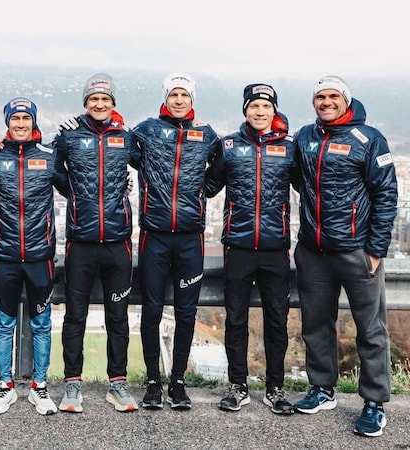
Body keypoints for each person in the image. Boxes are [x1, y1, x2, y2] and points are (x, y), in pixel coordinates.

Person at [292, 75, 397, 437]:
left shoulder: (369, 139)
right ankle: (322, 389)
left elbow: (386, 194)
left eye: (332, 95)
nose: (326, 101)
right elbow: (296, 180)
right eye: (320, 96)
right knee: (316, 325)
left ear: (345, 100)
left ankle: (373, 402)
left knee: (371, 330)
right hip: (313, 251)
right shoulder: (305, 136)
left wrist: (375, 250)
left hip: (356, 251)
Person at [204, 83, 295, 415]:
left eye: (265, 106)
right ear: (245, 110)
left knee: (277, 321)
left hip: (275, 248)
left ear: (274, 110)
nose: (259, 112)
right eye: (254, 106)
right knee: (236, 320)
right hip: (239, 246)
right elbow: (207, 186)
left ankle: (275, 389)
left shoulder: (290, 147)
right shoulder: (228, 146)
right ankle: (237, 386)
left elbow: (313, 186)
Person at [131, 72, 219, 411]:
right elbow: (115, 146)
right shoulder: (147, 130)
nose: (179, 100)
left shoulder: (207, 136)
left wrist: (200, 192)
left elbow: (219, 172)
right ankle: (153, 382)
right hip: (154, 235)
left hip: (189, 238)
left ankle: (178, 382)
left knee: (186, 311)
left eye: (185, 95)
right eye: (174, 95)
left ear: (192, 100)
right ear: (165, 98)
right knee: (151, 310)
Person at [52, 73, 138, 413]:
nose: (99, 104)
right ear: (85, 104)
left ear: (113, 103)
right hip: (81, 241)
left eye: (105, 99)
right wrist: (75, 195)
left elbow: (155, 162)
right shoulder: (70, 136)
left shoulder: (127, 137)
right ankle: (72, 384)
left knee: (118, 316)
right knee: (75, 316)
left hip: (118, 242)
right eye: (93, 99)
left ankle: (117, 383)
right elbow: (52, 168)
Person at [0, 97, 67, 416]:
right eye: (14, 118)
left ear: (33, 121)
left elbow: (74, 189)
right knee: (4, 324)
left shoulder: (48, 155)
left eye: (25, 118)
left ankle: (39, 388)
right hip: (5, 255)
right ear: (7, 122)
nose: (20, 123)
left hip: (40, 256)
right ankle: (5, 387)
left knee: (42, 324)